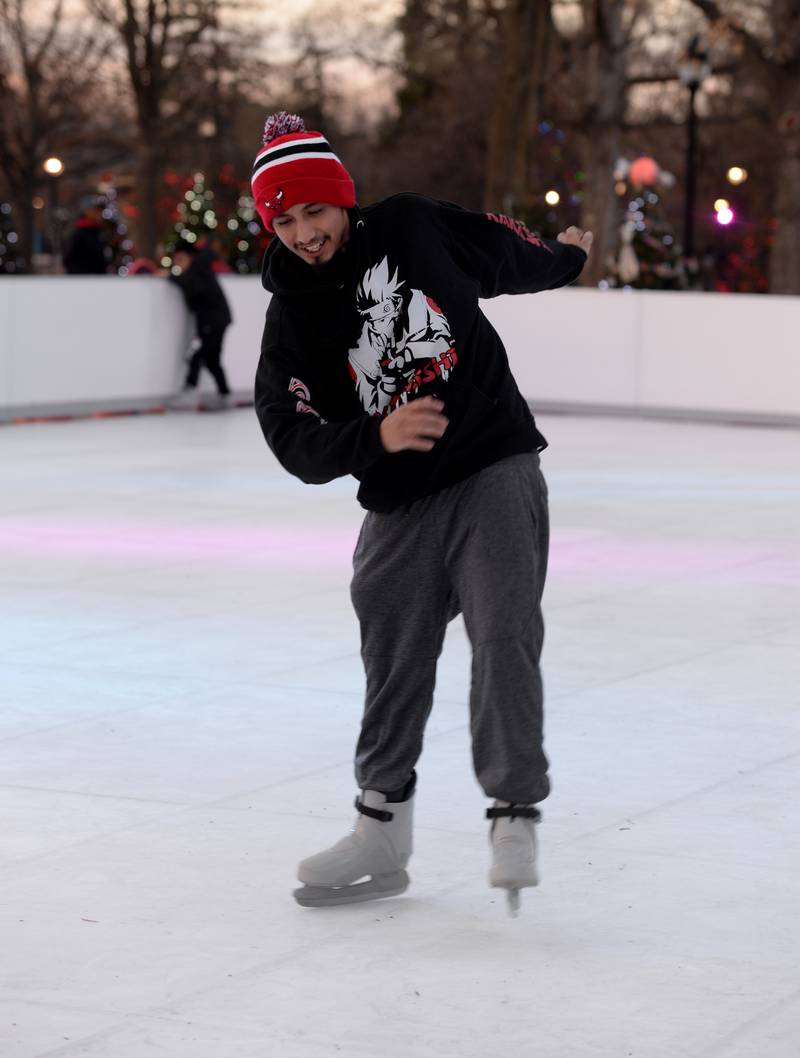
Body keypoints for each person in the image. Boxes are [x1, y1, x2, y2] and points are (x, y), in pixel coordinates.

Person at [252, 111, 592, 913]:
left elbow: (503, 250)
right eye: (286, 218)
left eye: (315, 212)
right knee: (393, 652)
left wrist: (568, 257)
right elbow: (290, 435)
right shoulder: (291, 318)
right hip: (399, 498)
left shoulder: (410, 226)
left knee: (503, 627)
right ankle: (382, 826)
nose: (304, 233)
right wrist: (376, 434)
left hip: (492, 462)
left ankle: (512, 812)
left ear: (345, 202)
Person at [167, 241, 233, 409]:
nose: (178, 263)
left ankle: (189, 393)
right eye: (176, 260)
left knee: (199, 356)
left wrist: (171, 278)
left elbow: (194, 289)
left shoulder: (198, 269)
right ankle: (225, 395)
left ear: (190, 257)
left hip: (214, 320)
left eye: (181, 259)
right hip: (214, 320)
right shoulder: (198, 269)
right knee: (212, 360)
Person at [63, 201, 109, 275]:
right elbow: (69, 260)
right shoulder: (79, 234)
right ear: (87, 212)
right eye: (95, 210)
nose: (99, 214)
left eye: (100, 211)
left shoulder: (100, 232)